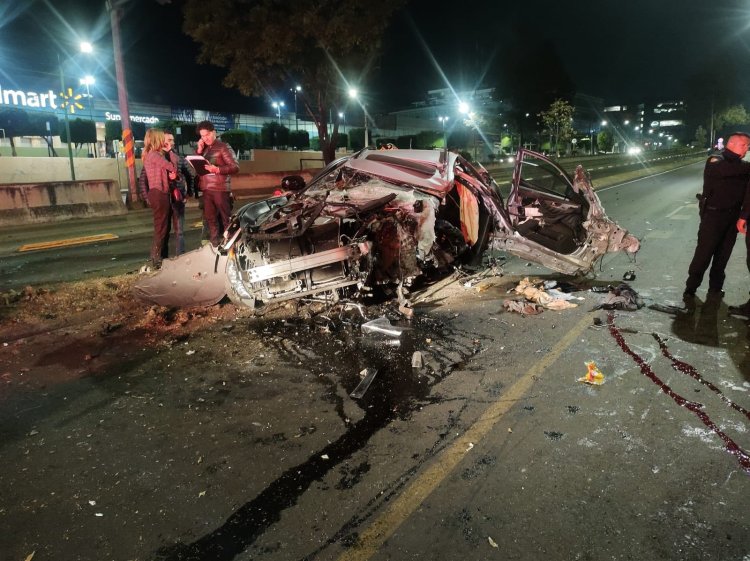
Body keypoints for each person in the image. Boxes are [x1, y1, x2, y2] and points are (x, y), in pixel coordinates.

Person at [684, 132, 750, 299]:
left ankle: (715, 289)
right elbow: (726, 170)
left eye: (748, 146)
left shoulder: (743, 166)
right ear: (732, 144)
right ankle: (691, 288)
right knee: (704, 253)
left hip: (733, 216)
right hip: (713, 216)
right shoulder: (716, 159)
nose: (747, 149)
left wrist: (743, 215)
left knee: (723, 255)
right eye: (744, 145)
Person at [194, 120, 239, 246]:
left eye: (207, 135)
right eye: (202, 136)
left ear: (213, 132)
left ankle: (229, 243)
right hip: (206, 188)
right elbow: (197, 167)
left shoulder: (223, 146)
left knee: (226, 219)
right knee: (210, 219)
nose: (205, 138)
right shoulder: (204, 149)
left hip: (220, 188)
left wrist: (217, 169)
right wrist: (198, 150)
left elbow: (235, 167)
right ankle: (214, 243)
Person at [139, 128, 177, 269]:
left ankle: (159, 257)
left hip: (158, 193)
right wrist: (169, 152)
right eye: (162, 138)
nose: (165, 141)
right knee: (161, 227)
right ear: (157, 140)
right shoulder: (154, 155)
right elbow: (171, 167)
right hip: (159, 193)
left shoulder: (152, 154)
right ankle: (155, 258)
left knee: (163, 227)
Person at [162, 130, 194, 256]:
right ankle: (161, 258)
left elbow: (190, 175)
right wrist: (148, 196)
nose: (172, 143)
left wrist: (188, 193)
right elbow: (144, 178)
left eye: (173, 140)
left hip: (177, 198)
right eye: (169, 140)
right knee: (163, 230)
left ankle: (180, 255)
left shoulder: (179, 158)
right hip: (163, 198)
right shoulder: (155, 157)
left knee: (179, 231)